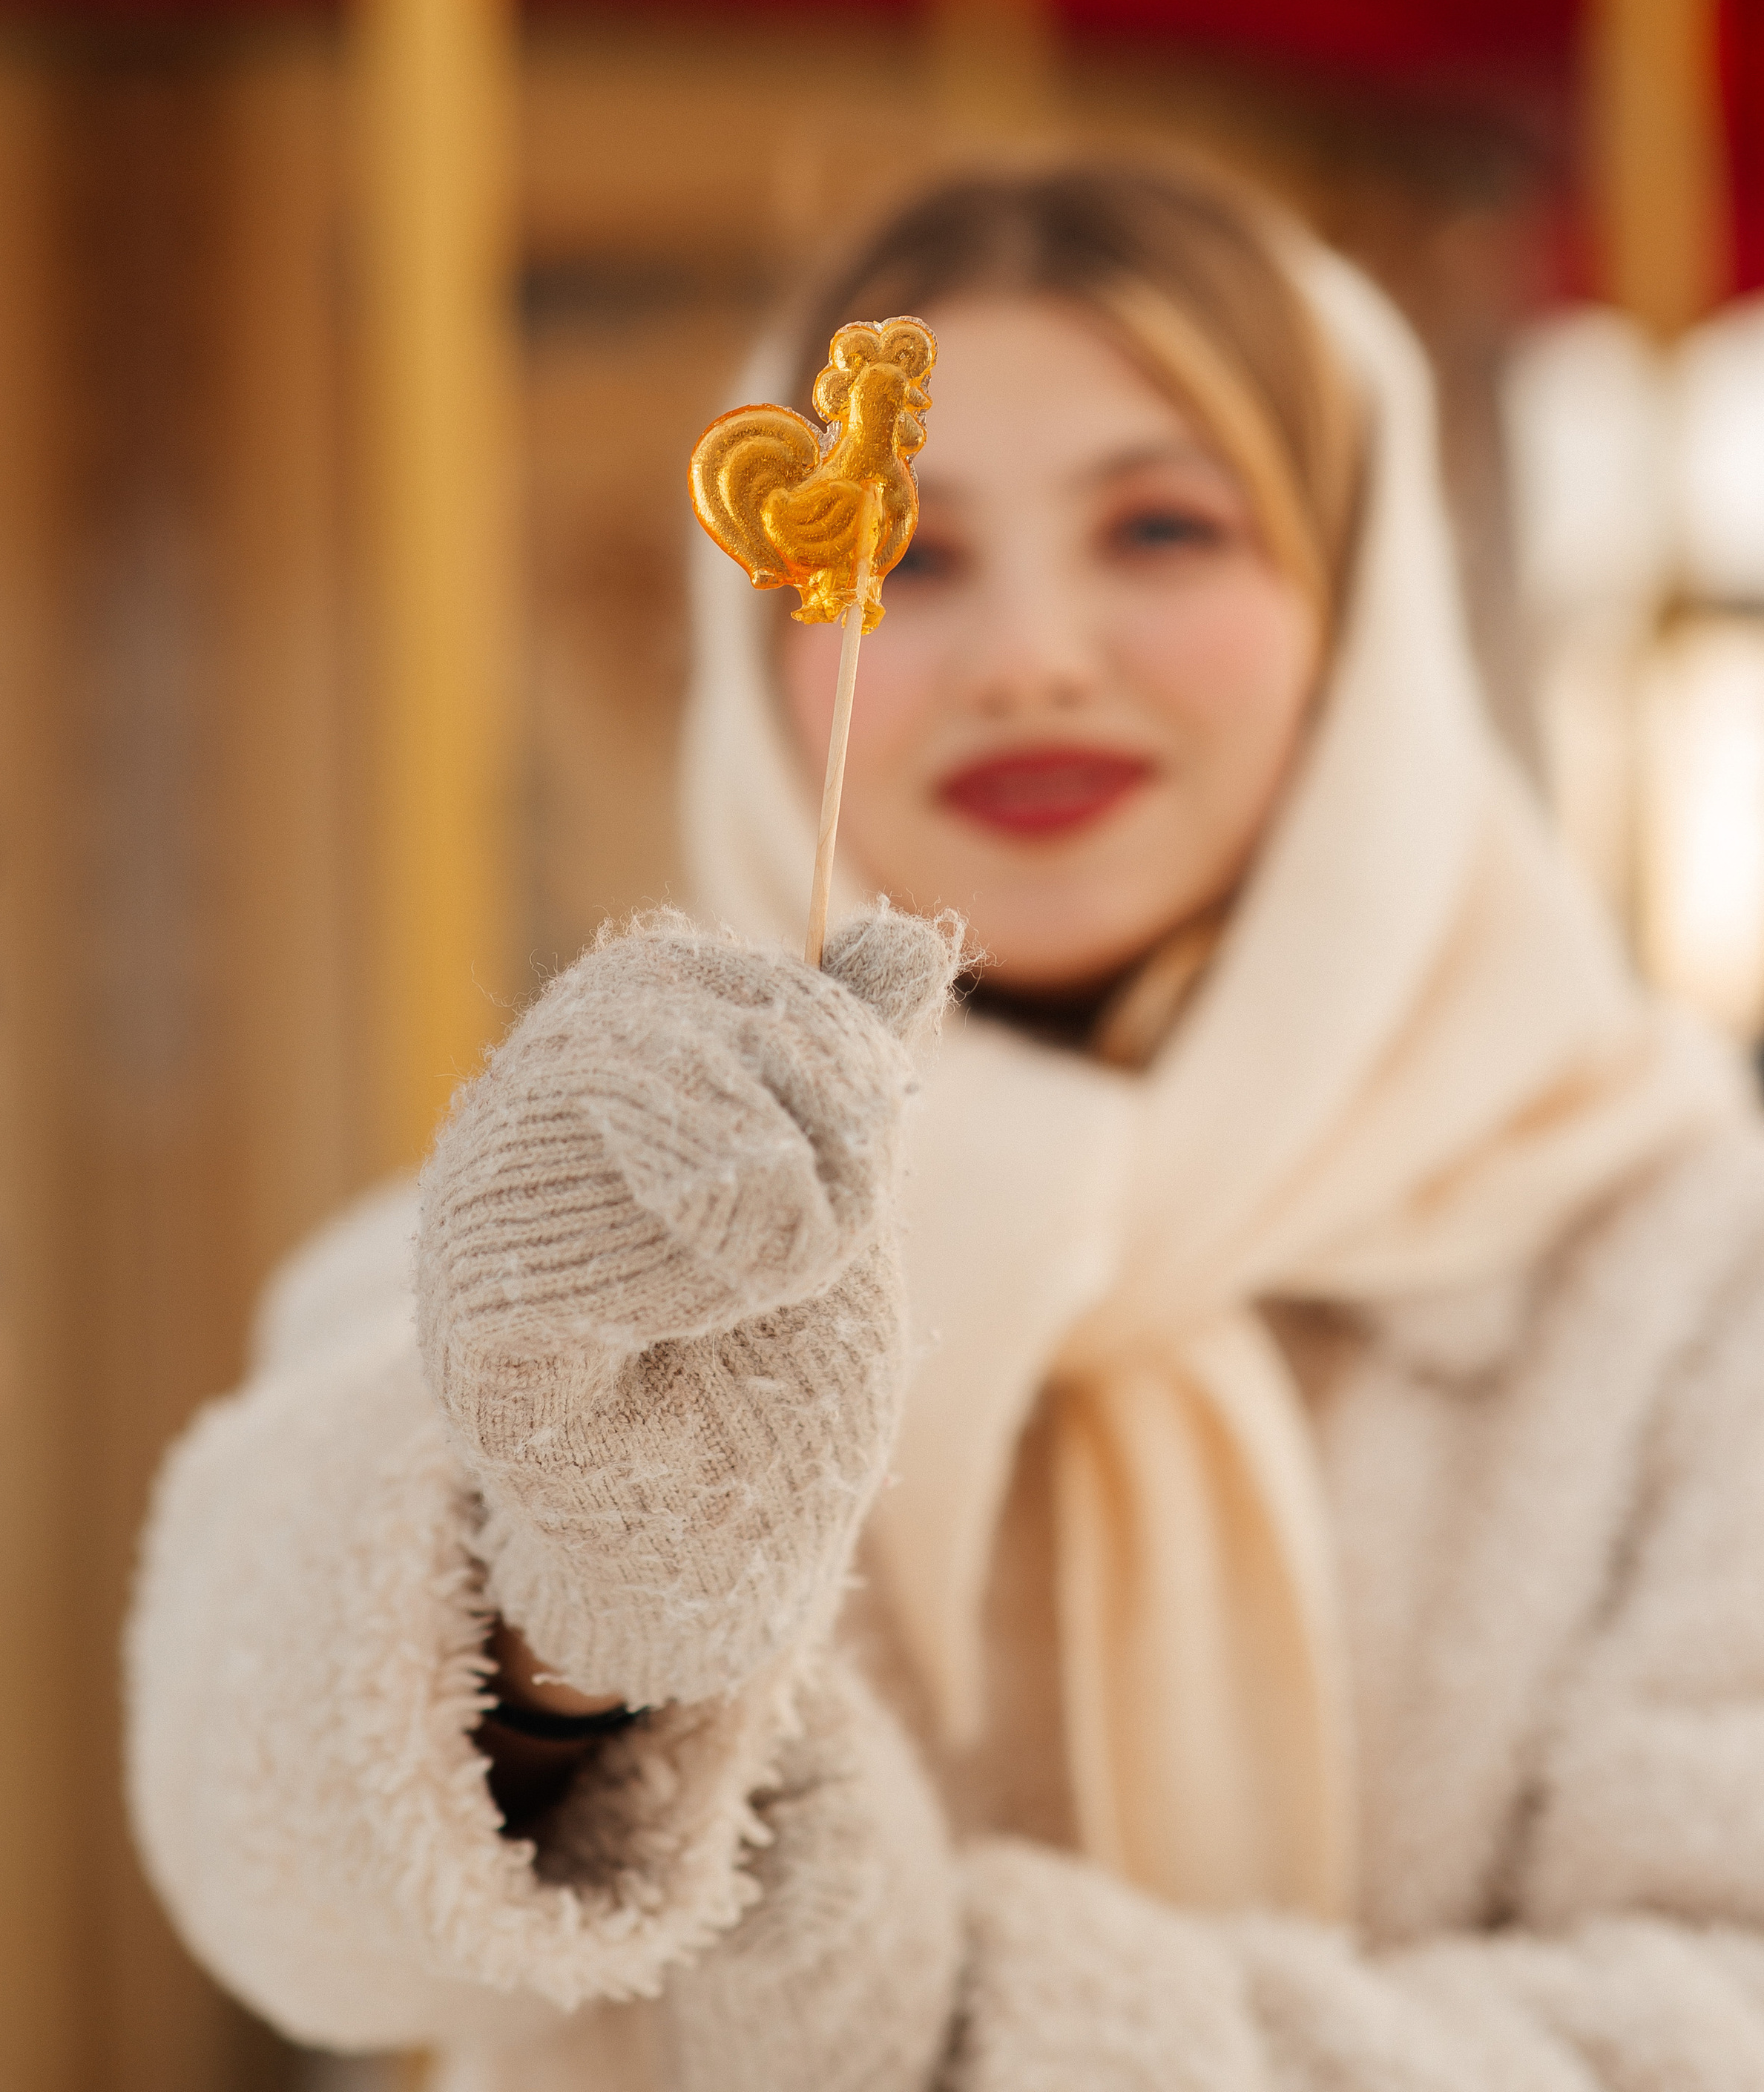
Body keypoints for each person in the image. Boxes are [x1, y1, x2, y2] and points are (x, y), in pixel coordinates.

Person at [128, 160, 1764, 2091]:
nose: (1031, 659)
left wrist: (946, 2020)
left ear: (1363, 607)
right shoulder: (600, 1224)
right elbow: (285, 1890)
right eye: (907, 557)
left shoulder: (1666, 1252)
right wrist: (569, 1615)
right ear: (767, 649)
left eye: (1163, 527)